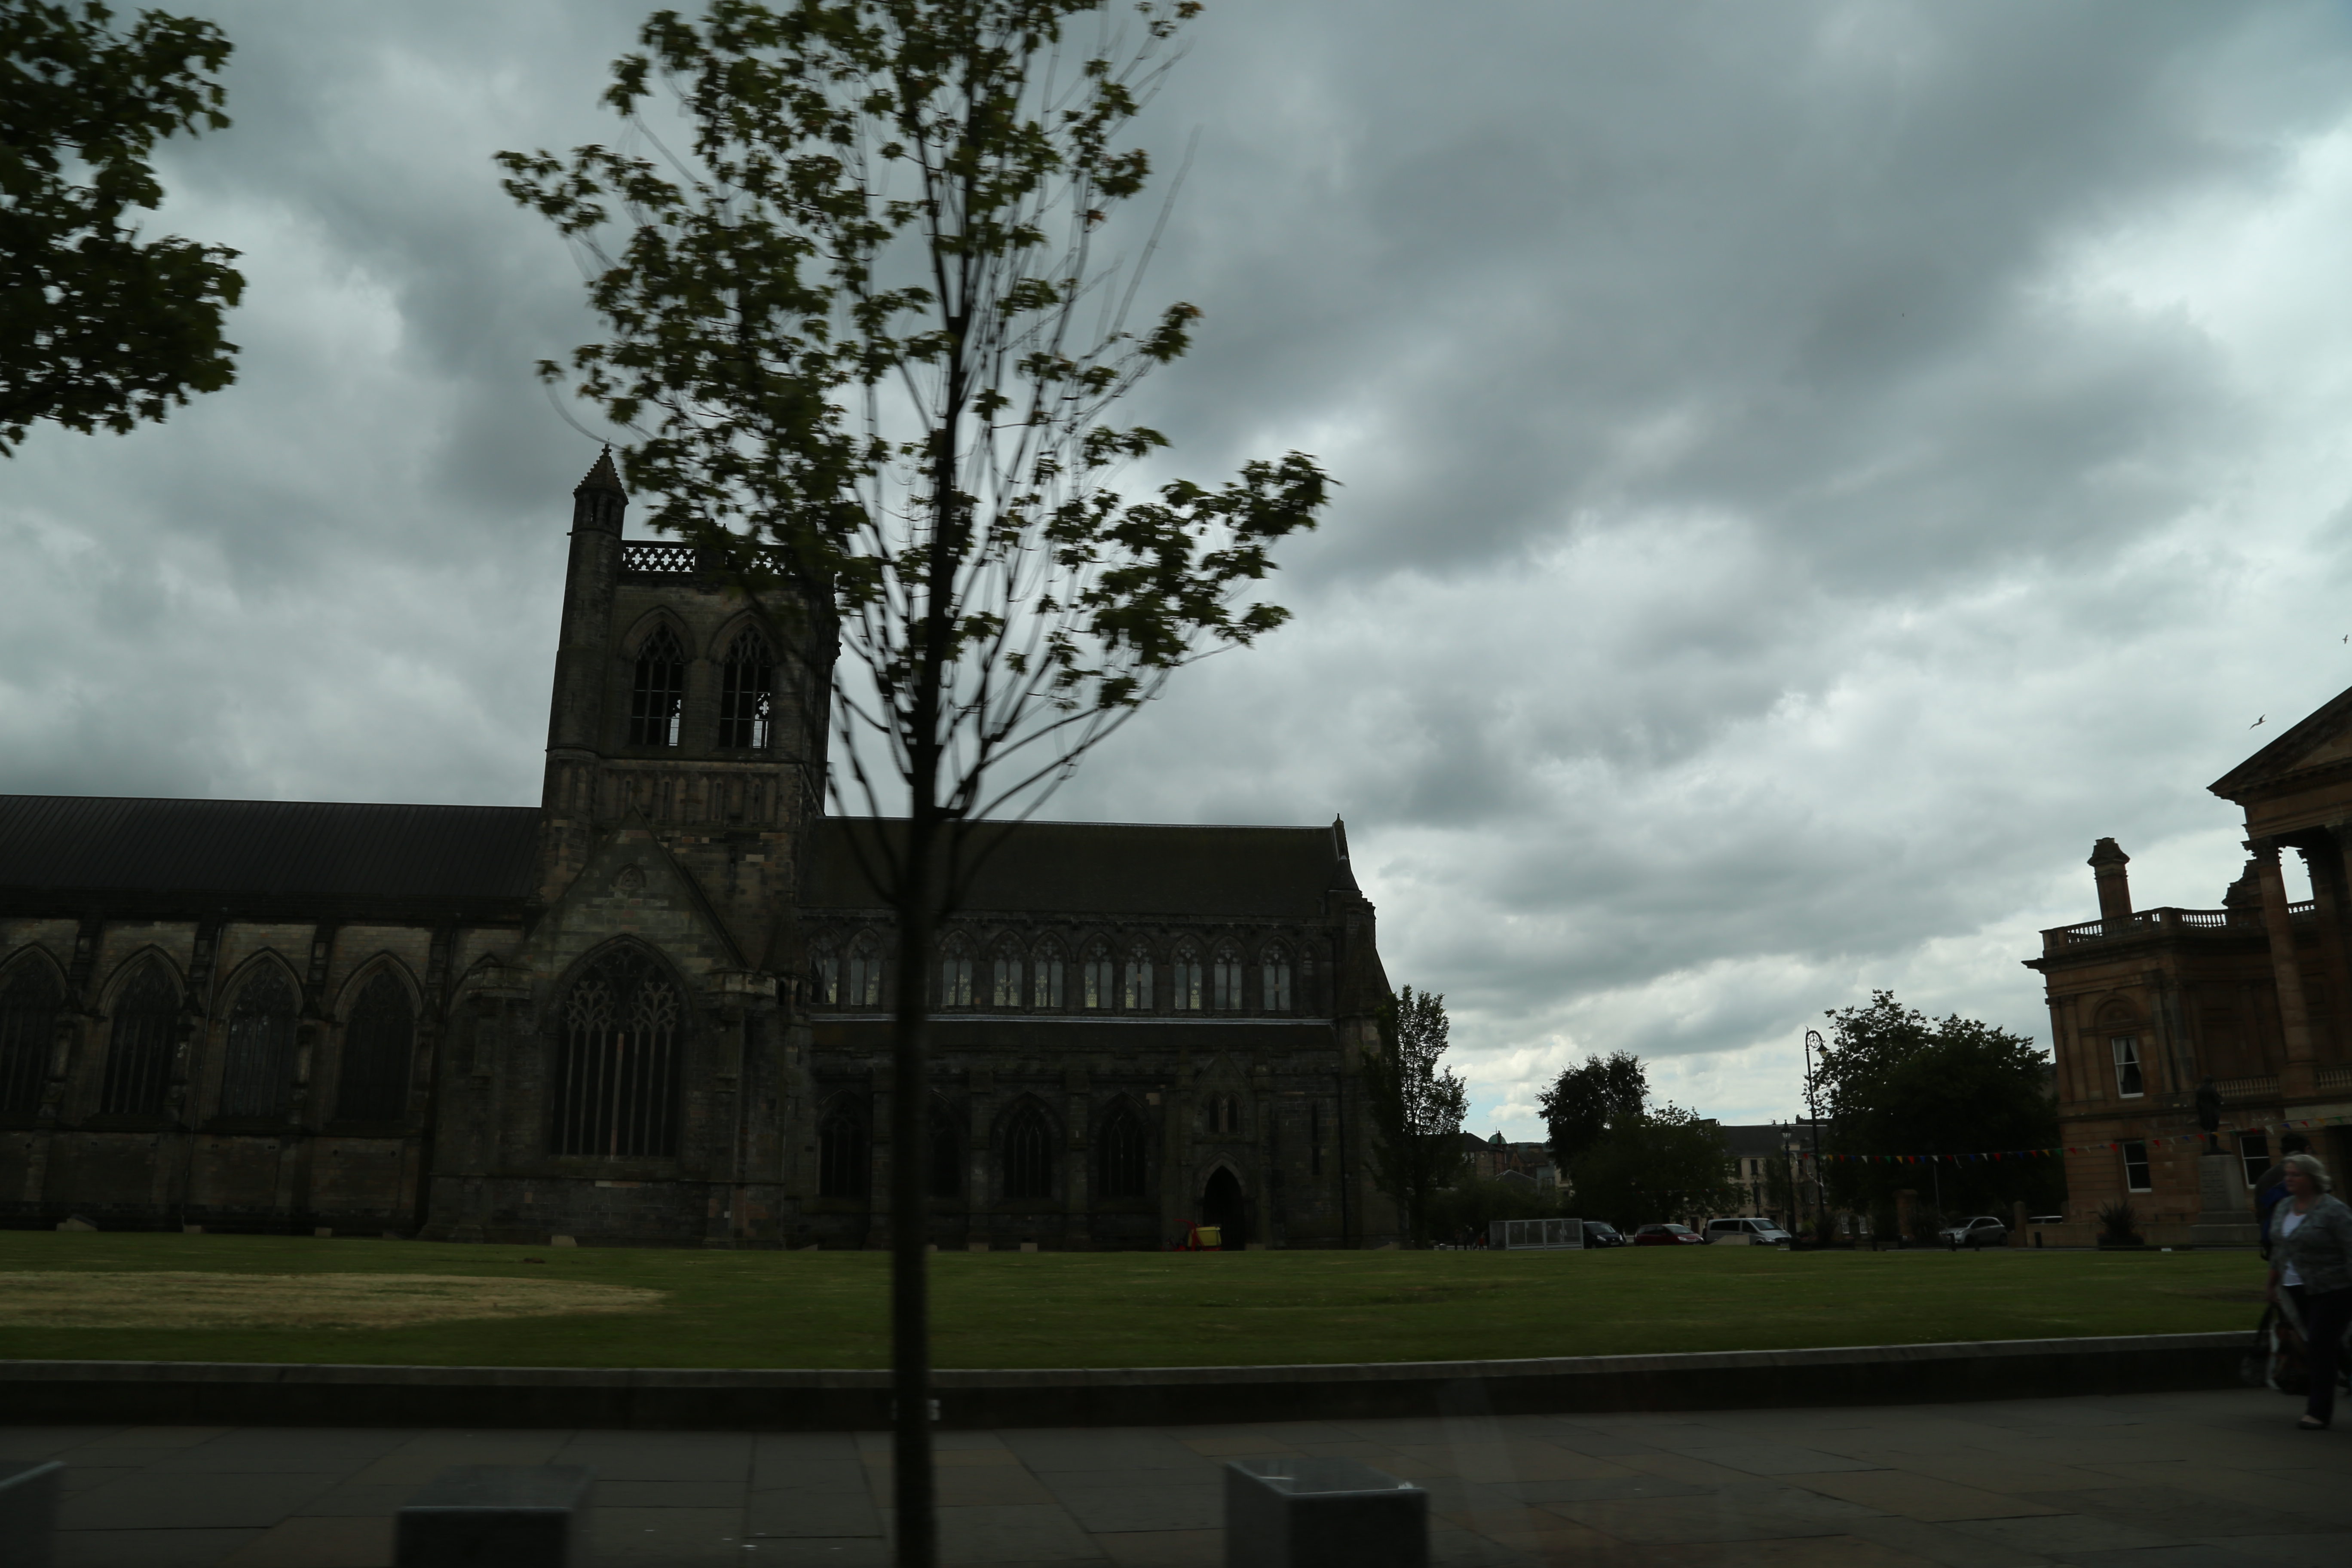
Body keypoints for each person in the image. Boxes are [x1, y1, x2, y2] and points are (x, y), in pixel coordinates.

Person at [2265, 1152, 2352, 1430]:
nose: (2289, 1179)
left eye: (2296, 1175)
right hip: (2294, 1288)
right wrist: (2272, 1283)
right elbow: (2280, 1247)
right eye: (2287, 1174)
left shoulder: (2334, 1210)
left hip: (2333, 1288)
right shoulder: (2284, 1207)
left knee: (2319, 1346)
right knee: (2335, 1347)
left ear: (2313, 1178)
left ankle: (2317, 1412)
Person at [2253, 1134, 2312, 1257]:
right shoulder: (2310, 1175)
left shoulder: (2264, 1177)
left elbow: (2261, 1211)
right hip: (2305, 1244)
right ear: (2307, 1149)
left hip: (2273, 1241)